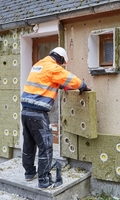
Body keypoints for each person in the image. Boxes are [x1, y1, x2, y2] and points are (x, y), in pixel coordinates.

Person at [20, 47, 90, 189]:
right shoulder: (53, 68)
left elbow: (54, 83)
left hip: (25, 112)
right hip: (38, 114)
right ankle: (44, 180)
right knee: (45, 147)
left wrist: (66, 87)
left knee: (28, 144)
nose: (61, 66)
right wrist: (83, 86)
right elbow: (72, 80)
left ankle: (29, 173)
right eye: (62, 64)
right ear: (60, 59)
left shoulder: (38, 65)